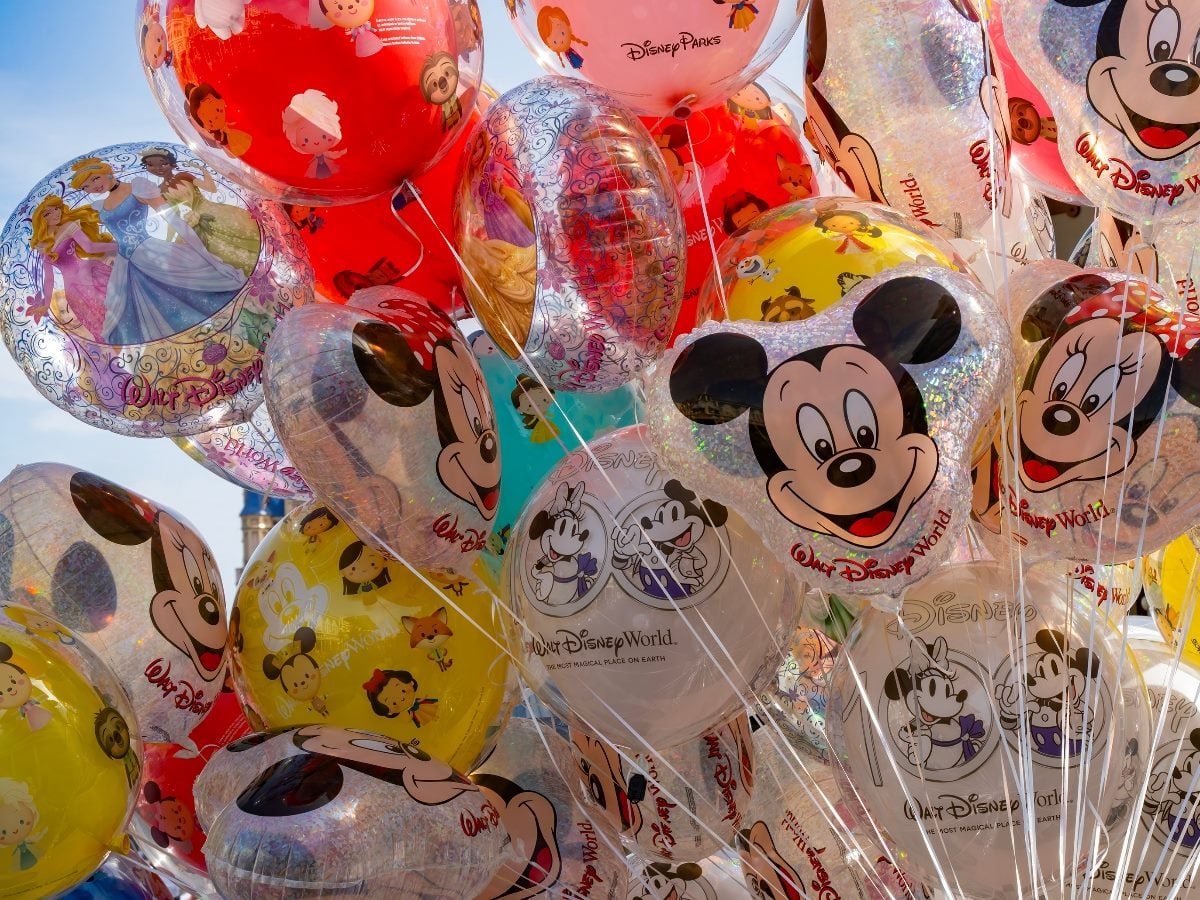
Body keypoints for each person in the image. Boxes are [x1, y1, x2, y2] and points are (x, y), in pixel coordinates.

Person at [70, 157, 245, 346]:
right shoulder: (98, 207)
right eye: (85, 186)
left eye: (95, 178)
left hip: (150, 253)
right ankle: (193, 348)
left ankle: (226, 339)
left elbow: (173, 218)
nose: (93, 187)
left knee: (187, 294)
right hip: (125, 265)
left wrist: (206, 256)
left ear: (107, 171)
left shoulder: (137, 187)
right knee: (141, 316)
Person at [142, 147, 261, 277]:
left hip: (212, 211)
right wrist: (168, 241)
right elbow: (173, 217)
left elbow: (211, 189)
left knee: (239, 236)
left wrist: (202, 170)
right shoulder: (160, 191)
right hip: (192, 223)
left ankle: (258, 269)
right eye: (151, 165)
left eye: (163, 164)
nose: (159, 169)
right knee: (210, 254)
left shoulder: (183, 176)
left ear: (171, 163)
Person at [27, 195, 116, 339]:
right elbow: (49, 278)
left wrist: (117, 245)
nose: (56, 213)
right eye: (48, 213)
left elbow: (89, 247)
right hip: (74, 290)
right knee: (100, 324)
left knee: (116, 308)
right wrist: (46, 303)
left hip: (91, 274)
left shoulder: (68, 226)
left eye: (57, 209)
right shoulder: (42, 246)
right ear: (42, 219)